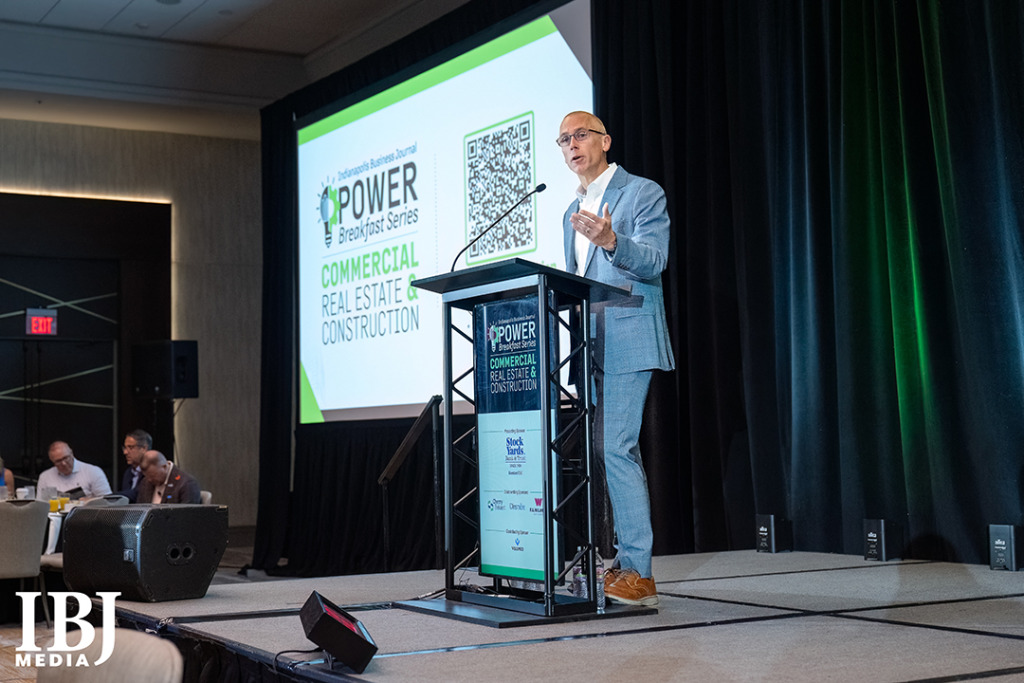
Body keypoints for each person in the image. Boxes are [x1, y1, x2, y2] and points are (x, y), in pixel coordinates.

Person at [556, 111, 674, 606]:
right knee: (609, 451)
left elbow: (655, 260)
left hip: (628, 336)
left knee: (616, 448)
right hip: (590, 344)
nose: (572, 144)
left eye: (580, 135)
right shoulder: (570, 210)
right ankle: (621, 563)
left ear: (604, 141)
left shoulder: (641, 192)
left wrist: (611, 241)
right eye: (564, 139)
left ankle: (639, 573)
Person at [36, 441, 113, 498]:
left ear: (72, 454)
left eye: (66, 458)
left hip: (87, 513)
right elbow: (41, 504)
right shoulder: (45, 477)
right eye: (58, 461)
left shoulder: (93, 471)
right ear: (52, 461)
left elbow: (107, 501)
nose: (64, 463)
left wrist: (89, 501)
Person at [135, 450, 201, 505]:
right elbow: (139, 511)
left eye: (153, 476)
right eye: (147, 476)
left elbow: (188, 514)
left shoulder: (187, 484)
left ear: (164, 467)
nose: (149, 480)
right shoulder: (145, 482)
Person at [117, 429, 152, 503]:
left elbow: (137, 494)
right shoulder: (128, 472)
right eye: (125, 448)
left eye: (130, 447)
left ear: (144, 448)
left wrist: (111, 496)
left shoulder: (152, 471)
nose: (125, 452)